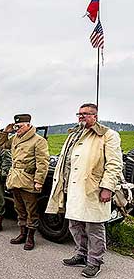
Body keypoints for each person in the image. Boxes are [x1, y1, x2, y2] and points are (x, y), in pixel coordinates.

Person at [46, 103, 122, 278]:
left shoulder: (108, 135)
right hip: (73, 188)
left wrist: (107, 187)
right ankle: (81, 255)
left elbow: (114, 164)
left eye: (86, 114)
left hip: (93, 189)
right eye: (79, 114)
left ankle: (95, 262)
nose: (81, 117)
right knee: (74, 224)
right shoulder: (74, 134)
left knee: (94, 226)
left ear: (95, 116)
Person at [0, 114, 49, 250]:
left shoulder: (38, 140)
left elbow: (42, 163)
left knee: (31, 210)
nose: (17, 129)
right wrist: (4, 132)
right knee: (19, 208)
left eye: (19, 126)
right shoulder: (15, 138)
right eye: (16, 126)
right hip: (15, 179)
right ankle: (22, 234)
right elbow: (2, 144)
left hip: (28, 180)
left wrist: (39, 181)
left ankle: (31, 237)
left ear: (28, 125)